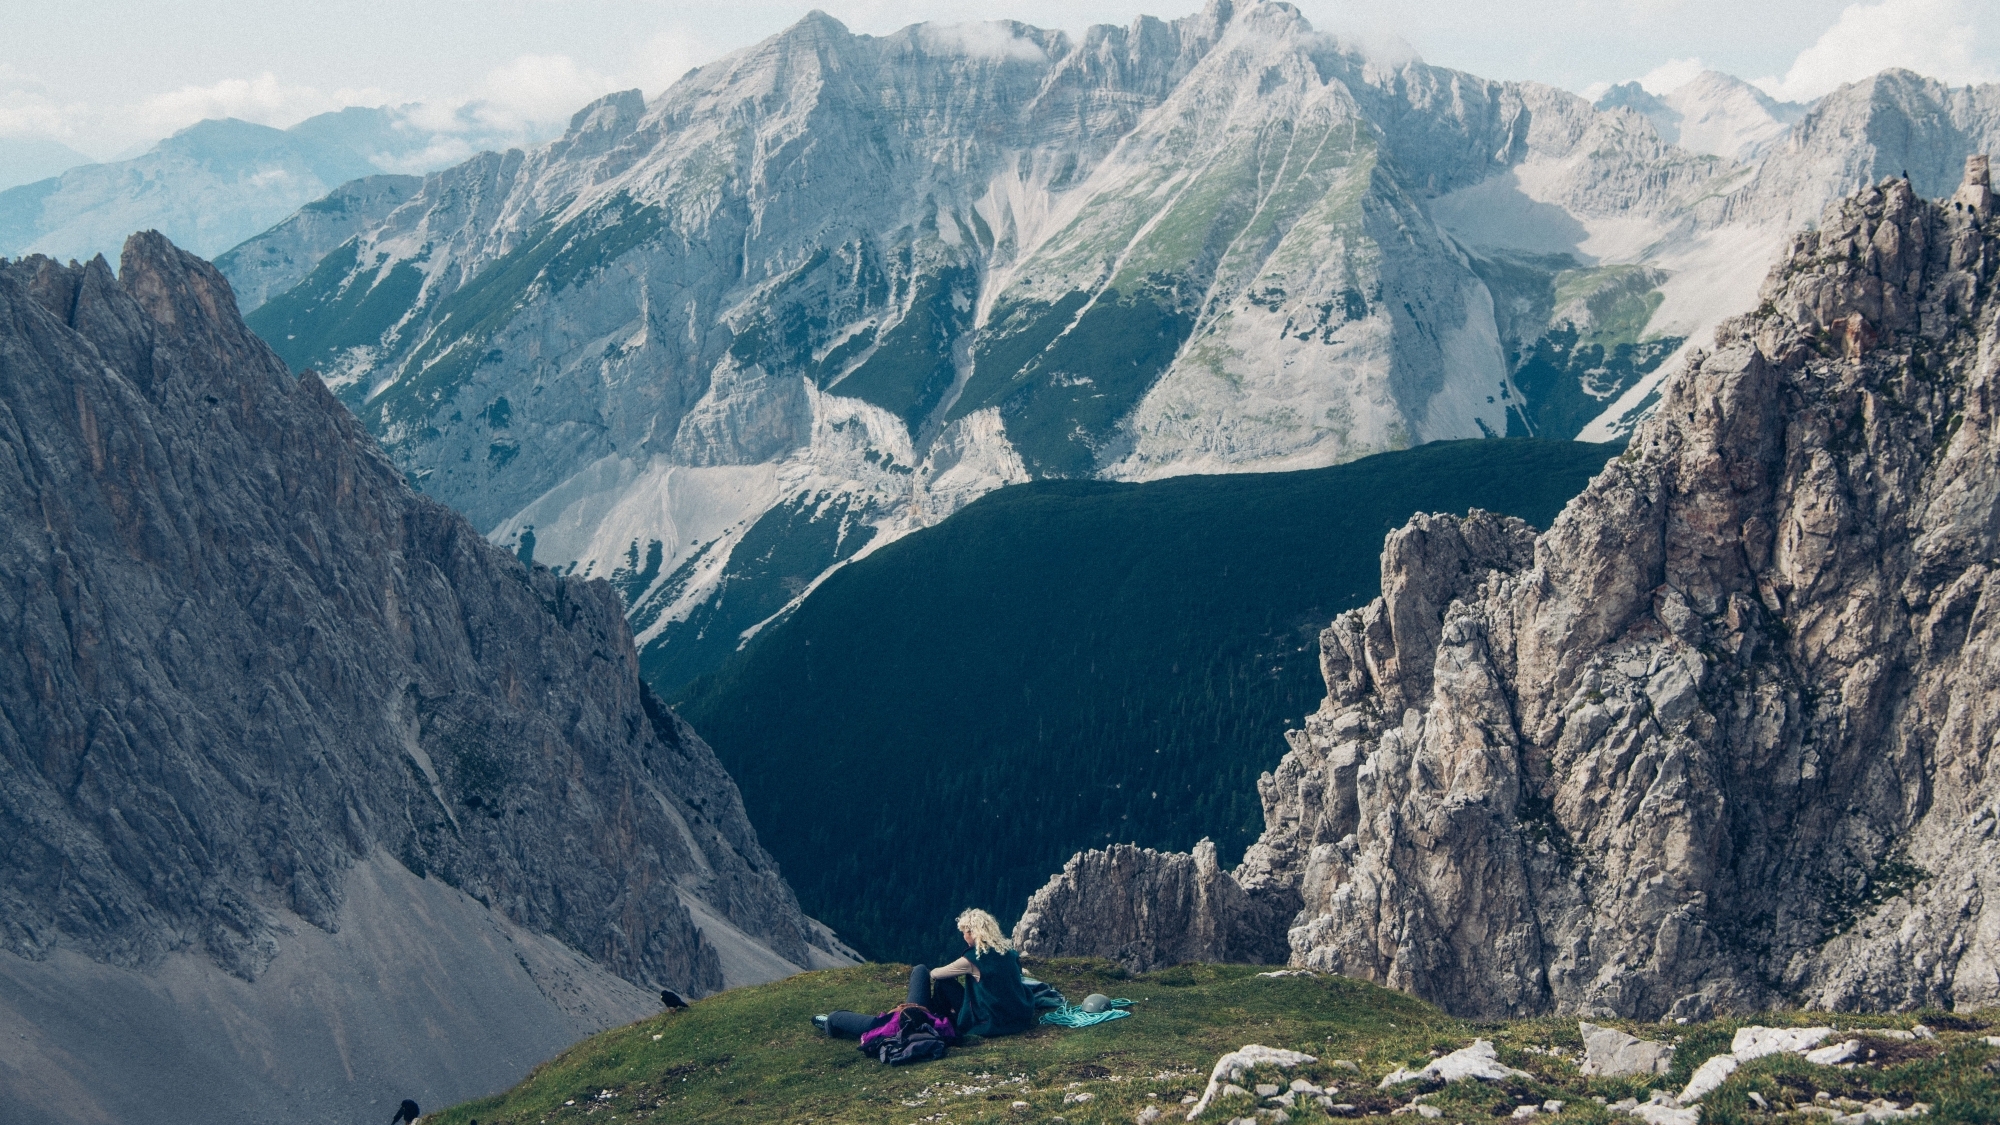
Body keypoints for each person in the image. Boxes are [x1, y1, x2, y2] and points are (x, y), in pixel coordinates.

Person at [816, 908, 1038, 1040]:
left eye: (965, 933)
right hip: (1015, 1016)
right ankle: (932, 1012)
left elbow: (937, 974)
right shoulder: (1008, 953)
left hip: (988, 1021)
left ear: (973, 932)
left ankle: (927, 1013)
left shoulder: (973, 959)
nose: (964, 937)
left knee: (924, 971)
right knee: (940, 983)